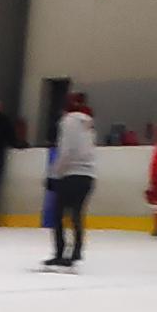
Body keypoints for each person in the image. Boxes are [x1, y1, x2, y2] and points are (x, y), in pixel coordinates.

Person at [43, 92, 97, 269]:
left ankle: (60, 252)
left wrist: (54, 173)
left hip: (71, 173)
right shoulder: (89, 124)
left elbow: (65, 150)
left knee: (58, 214)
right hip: (88, 175)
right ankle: (77, 251)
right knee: (77, 214)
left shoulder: (67, 122)